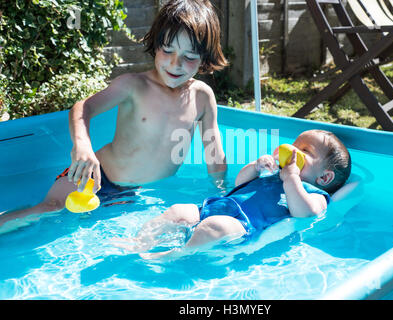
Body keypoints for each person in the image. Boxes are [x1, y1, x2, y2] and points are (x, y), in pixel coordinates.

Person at [0, 0, 228, 228]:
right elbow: (83, 107)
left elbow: (214, 154)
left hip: (134, 194)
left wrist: (221, 193)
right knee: (48, 209)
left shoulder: (202, 97)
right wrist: (82, 147)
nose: (175, 63)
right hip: (94, 175)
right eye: (168, 50)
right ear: (155, 45)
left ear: (205, 58)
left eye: (189, 57)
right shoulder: (134, 86)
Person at [112, 129, 352, 259]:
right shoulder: (273, 173)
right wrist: (257, 166)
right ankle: (141, 242)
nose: (292, 150)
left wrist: (291, 178)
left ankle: (177, 255)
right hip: (217, 205)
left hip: (242, 225)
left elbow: (304, 214)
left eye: (304, 151)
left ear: (324, 178)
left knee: (213, 228)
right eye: (295, 144)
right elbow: (239, 182)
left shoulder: (314, 194)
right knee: (177, 211)